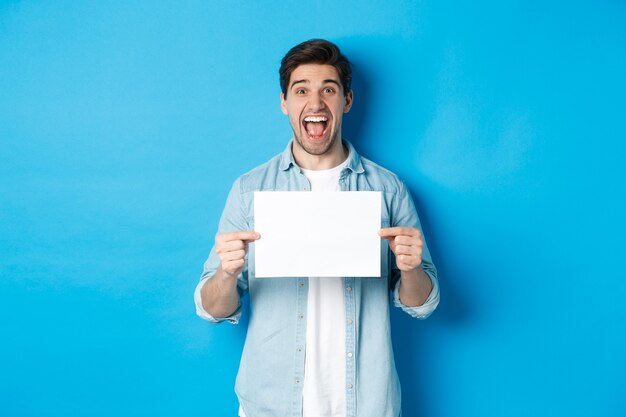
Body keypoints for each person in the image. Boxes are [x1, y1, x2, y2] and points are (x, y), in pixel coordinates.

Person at [194, 39, 440, 417]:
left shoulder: (387, 190)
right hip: (270, 405)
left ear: (347, 101)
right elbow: (212, 309)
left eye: (329, 89)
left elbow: (422, 303)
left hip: (366, 405)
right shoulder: (249, 191)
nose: (315, 102)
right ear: (284, 104)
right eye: (301, 90)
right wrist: (227, 273)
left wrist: (410, 269)